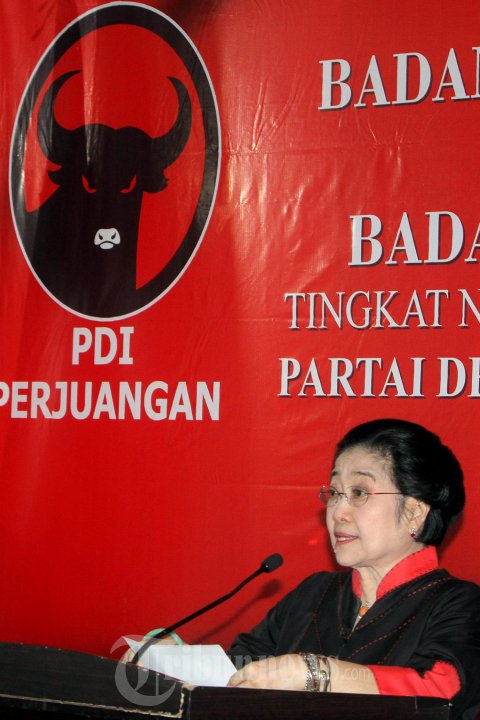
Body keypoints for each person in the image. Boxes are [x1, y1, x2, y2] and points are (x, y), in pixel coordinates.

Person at [227, 418, 480, 720]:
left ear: (414, 511)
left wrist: (316, 673)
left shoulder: (458, 603)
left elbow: (442, 689)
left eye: (359, 493)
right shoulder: (314, 592)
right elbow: (239, 667)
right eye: (335, 493)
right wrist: (186, 660)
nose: (338, 512)